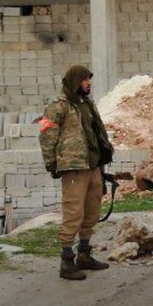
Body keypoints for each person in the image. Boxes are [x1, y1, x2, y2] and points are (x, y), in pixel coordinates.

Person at [40, 65, 114, 280]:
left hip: (93, 165)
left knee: (92, 210)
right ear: (75, 81)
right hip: (73, 167)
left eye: (88, 80)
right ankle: (66, 261)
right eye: (84, 80)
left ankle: (84, 253)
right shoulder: (59, 106)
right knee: (74, 212)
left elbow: (96, 132)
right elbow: (47, 136)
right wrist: (51, 163)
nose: (88, 83)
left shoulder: (87, 103)